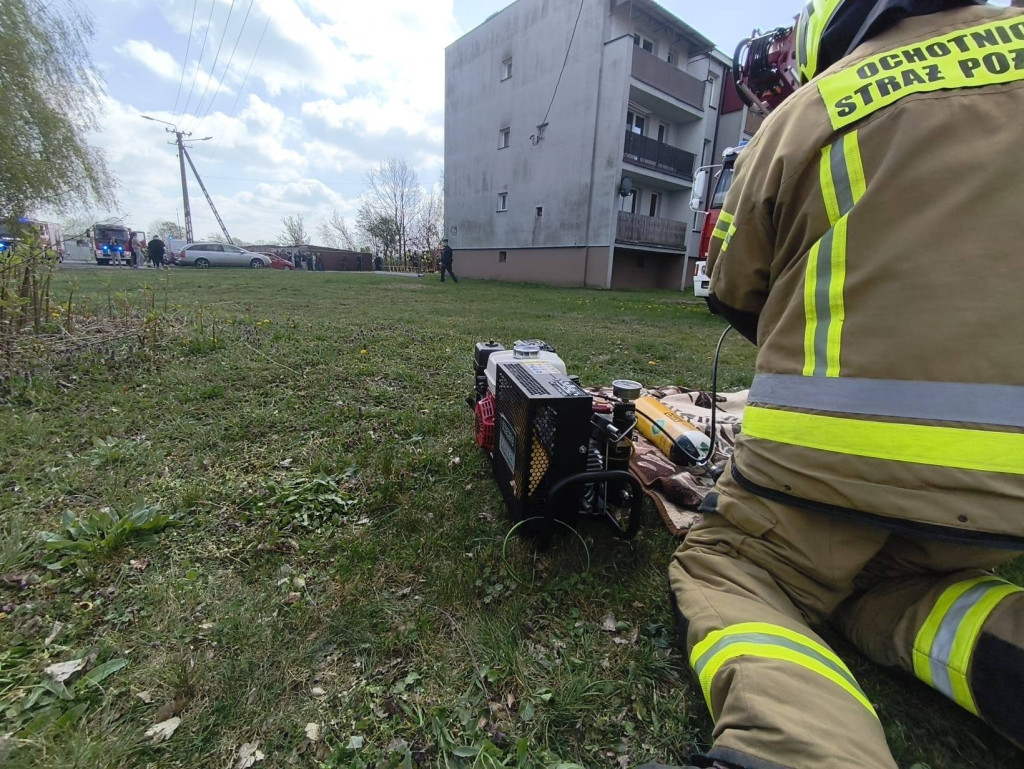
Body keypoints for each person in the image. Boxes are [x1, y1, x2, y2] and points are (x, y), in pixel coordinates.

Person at [656, 2, 1024, 769]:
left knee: (735, 564)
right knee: (901, 579)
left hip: (820, 478)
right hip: (1002, 502)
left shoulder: (811, 109)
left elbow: (733, 285)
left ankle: (795, 750)